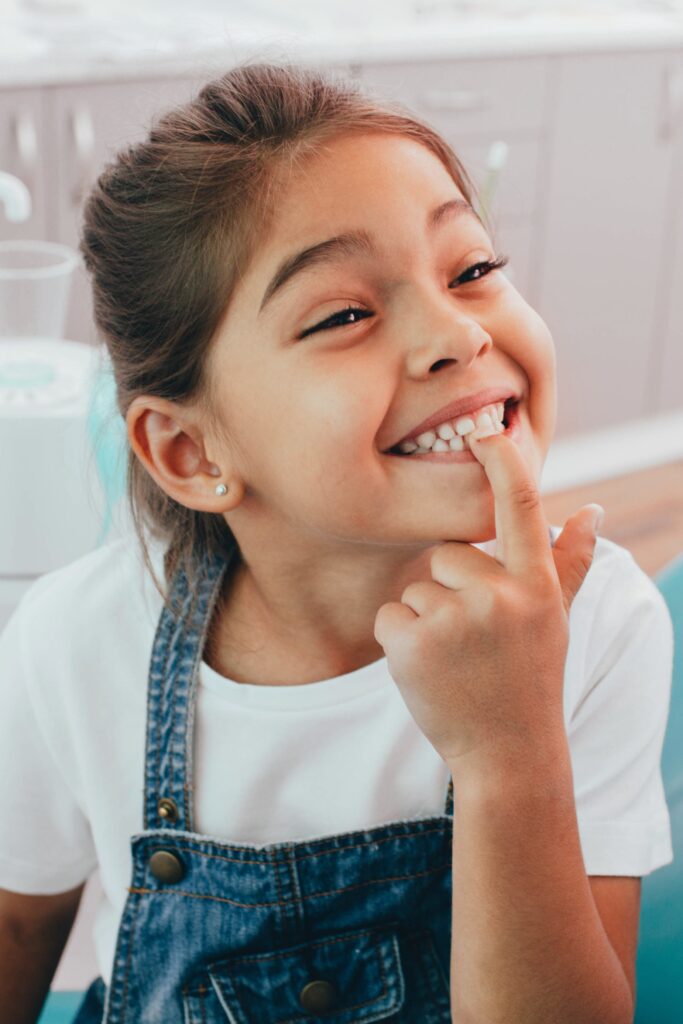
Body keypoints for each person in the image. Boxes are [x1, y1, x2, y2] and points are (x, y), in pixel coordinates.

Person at [0, 62, 674, 1024]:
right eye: (345, 313)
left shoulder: (597, 622)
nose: (456, 334)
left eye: (472, 268)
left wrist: (509, 751)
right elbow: (19, 939)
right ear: (190, 452)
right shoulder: (72, 643)